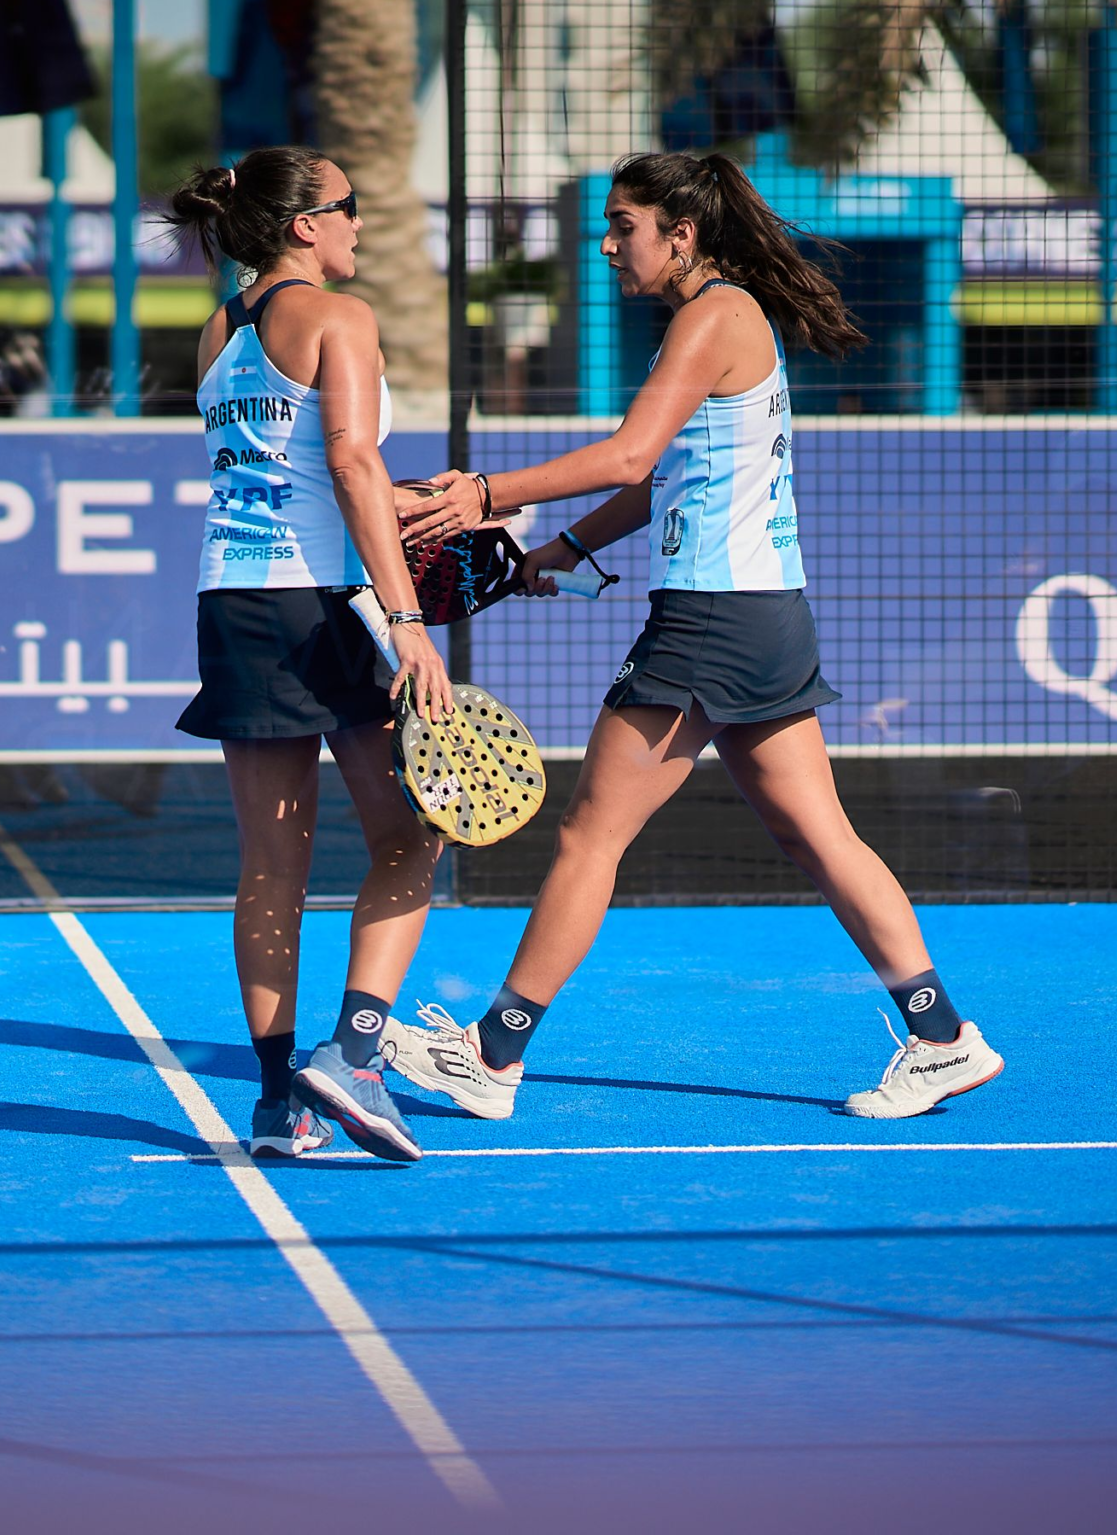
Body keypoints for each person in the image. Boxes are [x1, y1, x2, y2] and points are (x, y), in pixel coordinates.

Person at [384, 150, 1003, 1122]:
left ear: (681, 234)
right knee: (818, 834)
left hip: (713, 615)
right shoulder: (722, 316)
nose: (606, 245)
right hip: (764, 611)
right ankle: (942, 1039)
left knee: (592, 836)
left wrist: (482, 495)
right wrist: (559, 548)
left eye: (622, 225)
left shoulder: (711, 316)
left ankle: (490, 1057)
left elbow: (629, 450)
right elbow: (658, 478)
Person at [163, 147, 452, 1162]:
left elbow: (285, 470)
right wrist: (409, 622)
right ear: (304, 226)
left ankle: (280, 1103)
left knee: (270, 869)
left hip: (231, 599)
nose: (360, 224)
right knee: (413, 837)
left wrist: (404, 507)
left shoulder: (218, 329)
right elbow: (348, 460)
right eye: (350, 207)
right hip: (319, 603)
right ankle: (357, 1053)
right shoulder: (340, 318)